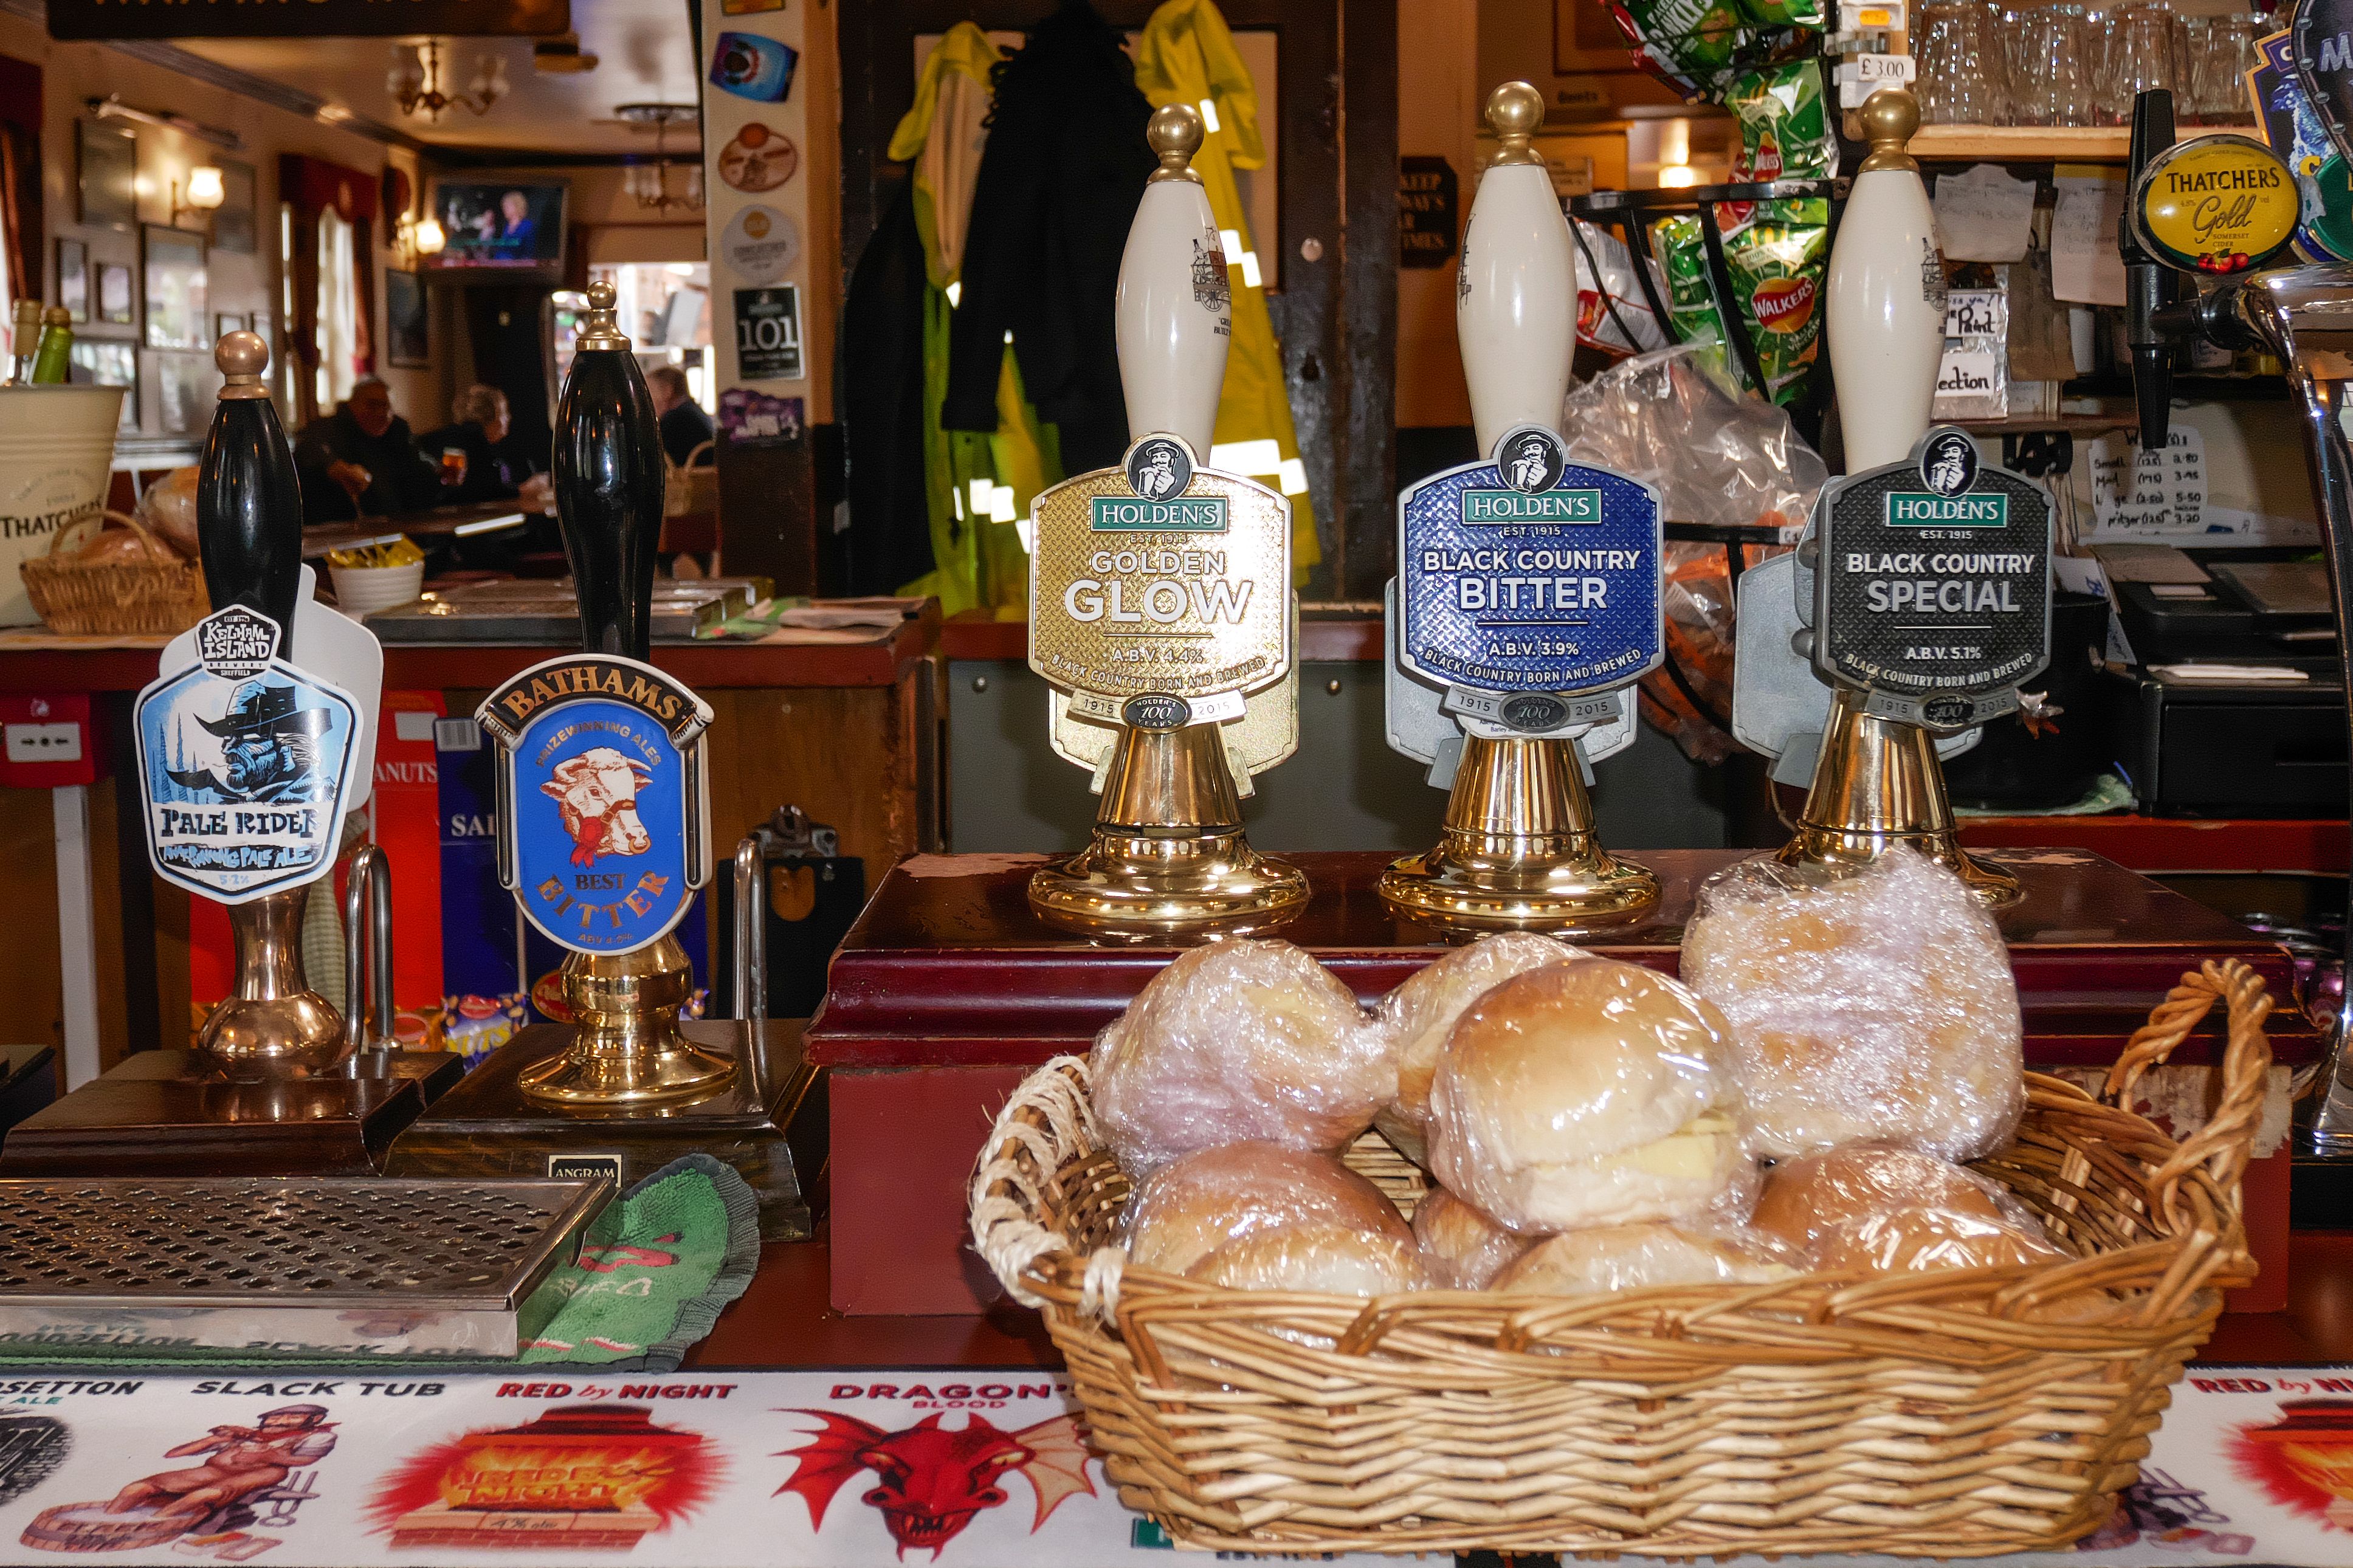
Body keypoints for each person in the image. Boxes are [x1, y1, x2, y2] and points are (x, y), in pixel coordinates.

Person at [291, 378, 439, 523]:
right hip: (344, 529)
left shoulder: (398, 432)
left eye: (386, 407)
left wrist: (439, 472)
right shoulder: (329, 427)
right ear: (352, 405)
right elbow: (308, 447)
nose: (381, 413)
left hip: (397, 528)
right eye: (372, 405)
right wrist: (334, 465)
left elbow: (420, 460)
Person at [417, 383, 533, 506]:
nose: (509, 418)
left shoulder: (457, 436)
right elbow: (481, 492)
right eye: (505, 413)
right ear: (494, 416)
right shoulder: (471, 441)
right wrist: (523, 490)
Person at [647, 364, 715, 469]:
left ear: (667, 390)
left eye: (650, 391)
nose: (647, 399)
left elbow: (655, 461)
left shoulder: (676, 419)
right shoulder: (693, 411)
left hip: (689, 483)